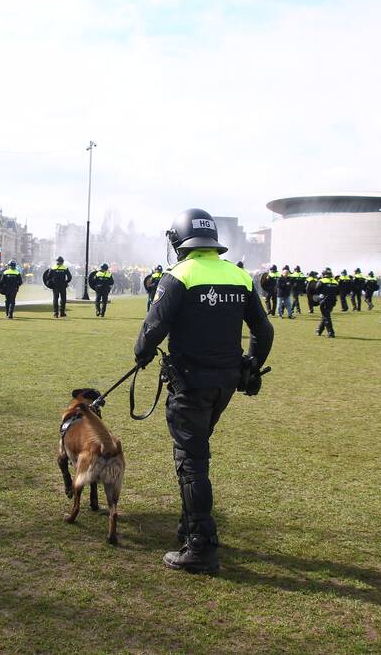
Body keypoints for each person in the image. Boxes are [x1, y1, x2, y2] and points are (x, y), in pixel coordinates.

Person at [134, 208, 273, 574]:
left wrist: (142, 355)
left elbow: (153, 329)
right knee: (197, 452)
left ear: (179, 240)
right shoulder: (239, 275)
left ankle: (201, 546)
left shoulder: (179, 275)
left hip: (190, 383)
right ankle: (188, 526)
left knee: (191, 461)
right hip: (225, 384)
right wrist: (251, 365)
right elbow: (264, 331)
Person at [315, 268, 338, 337]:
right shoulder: (335, 281)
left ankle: (331, 332)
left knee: (326, 316)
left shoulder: (322, 281)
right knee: (325, 316)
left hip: (324, 301)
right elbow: (338, 291)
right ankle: (319, 330)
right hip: (333, 301)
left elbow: (316, 289)